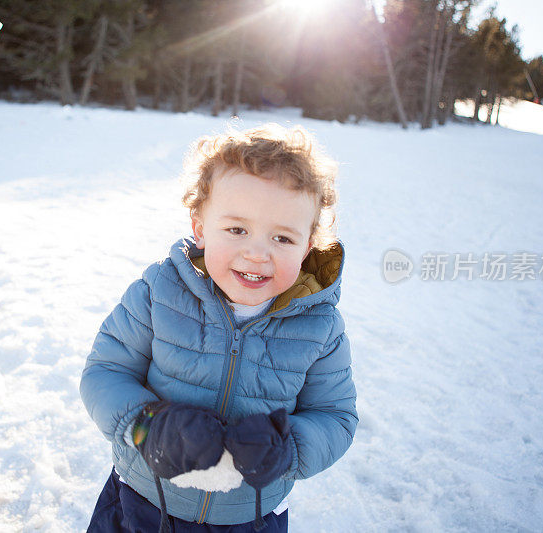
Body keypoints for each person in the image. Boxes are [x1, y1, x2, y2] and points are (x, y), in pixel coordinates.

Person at [80, 124, 358, 532]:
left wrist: (287, 448)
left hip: (249, 516)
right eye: (237, 229)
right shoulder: (160, 292)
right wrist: (147, 426)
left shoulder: (319, 327)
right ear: (200, 227)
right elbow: (106, 372)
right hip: (141, 503)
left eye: (283, 237)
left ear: (309, 245)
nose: (257, 253)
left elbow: (335, 416)